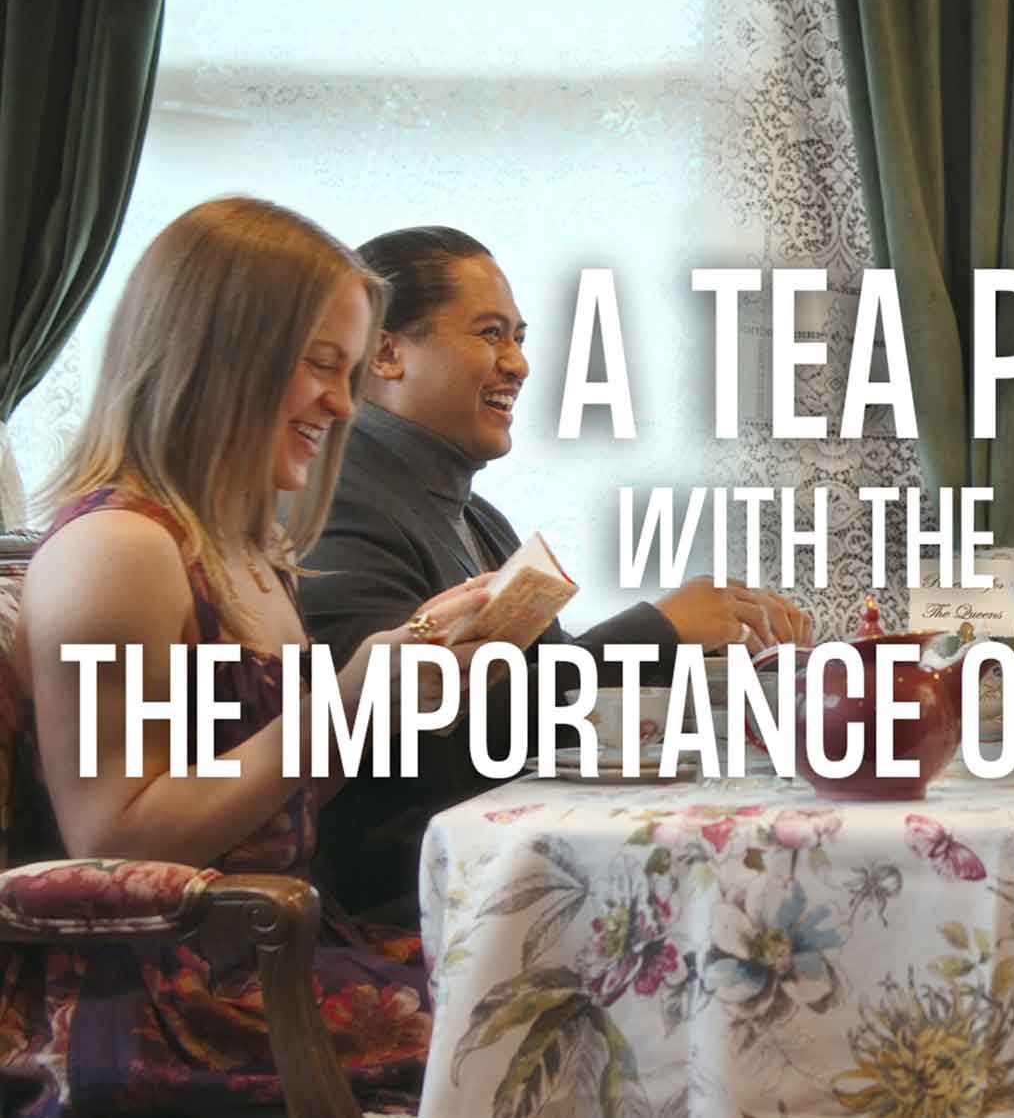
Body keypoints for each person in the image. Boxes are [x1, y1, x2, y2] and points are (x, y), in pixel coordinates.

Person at [4, 197, 498, 1116]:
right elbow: (115, 841)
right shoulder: (120, 548)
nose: (343, 404)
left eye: (349, 371)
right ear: (219, 352)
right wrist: (341, 706)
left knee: (557, 984)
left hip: (275, 954)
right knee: (543, 1029)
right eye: (320, 365)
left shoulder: (244, 549)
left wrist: (402, 687)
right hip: (170, 1000)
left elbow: (272, 807)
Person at [299, 225, 811, 919]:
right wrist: (659, 629)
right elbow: (410, 743)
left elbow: (547, 704)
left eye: (519, 337)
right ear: (387, 352)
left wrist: (708, 657)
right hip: (420, 901)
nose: (518, 364)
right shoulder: (339, 502)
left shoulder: (473, 513)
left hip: (513, 869)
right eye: (489, 334)